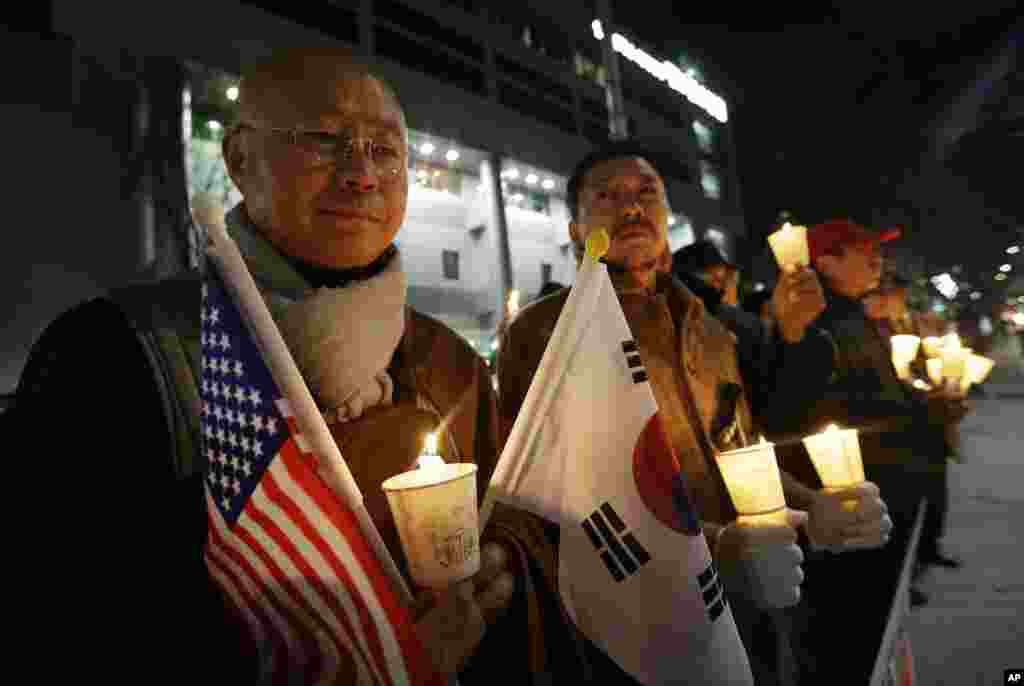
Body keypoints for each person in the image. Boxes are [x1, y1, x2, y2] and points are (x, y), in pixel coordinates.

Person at [12, 47, 554, 684]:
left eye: (385, 151)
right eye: (325, 141)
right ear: (240, 160)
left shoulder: (450, 361)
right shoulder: (119, 354)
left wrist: (501, 563)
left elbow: (515, 520)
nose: (361, 175)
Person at [498, 143, 890, 686]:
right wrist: (715, 550)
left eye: (646, 193)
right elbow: (563, 502)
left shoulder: (708, 328)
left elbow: (740, 451)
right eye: (607, 197)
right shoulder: (543, 332)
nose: (631, 208)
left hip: (755, 605)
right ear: (574, 228)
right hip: (636, 628)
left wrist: (812, 509)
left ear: (667, 214)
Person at [775, 218, 968, 684]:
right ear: (825, 261)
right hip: (852, 503)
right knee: (853, 635)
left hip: (877, 495)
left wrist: (928, 403)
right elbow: (819, 411)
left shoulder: (850, 316)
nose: (877, 261)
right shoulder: (818, 321)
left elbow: (881, 396)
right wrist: (924, 413)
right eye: (864, 251)